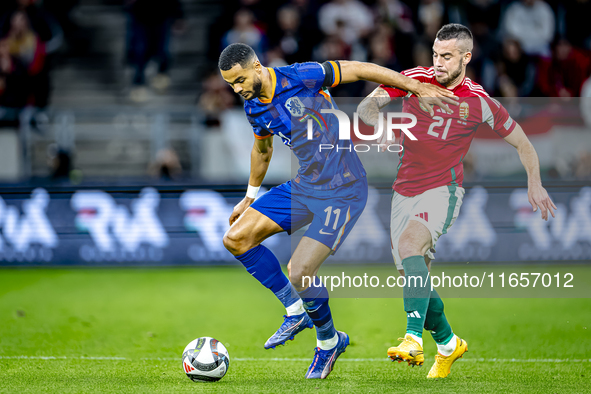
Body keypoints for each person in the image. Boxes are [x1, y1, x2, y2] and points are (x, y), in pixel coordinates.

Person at [218, 42, 456, 379]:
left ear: (257, 66)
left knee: (299, 271)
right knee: (235, 239)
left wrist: (414, 86)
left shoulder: (302, 75)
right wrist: (249, 196)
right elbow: (262, 147)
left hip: (343, 190)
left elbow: (359, 68)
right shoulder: (253, 107)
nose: (237, 89)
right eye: (231, 84)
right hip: (304, 186)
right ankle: (297, 312)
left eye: (240, 80)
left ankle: (326, 343)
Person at [357, 23, 557, 379]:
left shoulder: (478, 101)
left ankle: (412, 340)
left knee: (409, 246)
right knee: (414, 276)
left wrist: (535, 183)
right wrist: (385, 129)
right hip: (403, 191)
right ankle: (449, 345)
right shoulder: (415, 79)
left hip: (443, 190)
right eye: (435, 54)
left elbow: (523, 143)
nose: (437, 63)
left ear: (466, 57)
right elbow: (365, 109)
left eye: (446, 56)